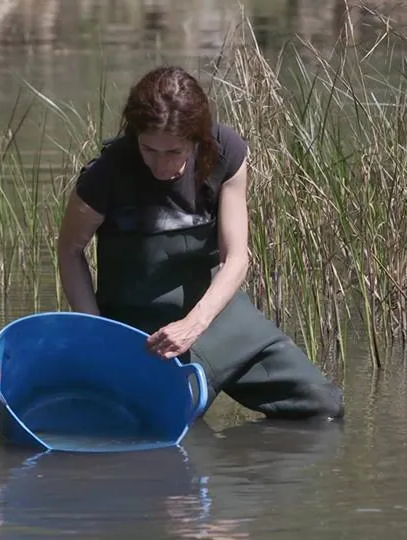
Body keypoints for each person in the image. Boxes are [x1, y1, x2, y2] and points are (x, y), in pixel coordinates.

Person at [57, 66, 345, 421]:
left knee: (323, 406)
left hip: (216, 314)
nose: (161, 165)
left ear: (197, 140)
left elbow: (237, 257)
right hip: (142, 330)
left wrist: (195, 323)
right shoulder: (105, 174)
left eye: (174, 152)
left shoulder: (226, 152)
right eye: (149, 150)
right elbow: (70, 252)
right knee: (163, 425)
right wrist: (97, 333)